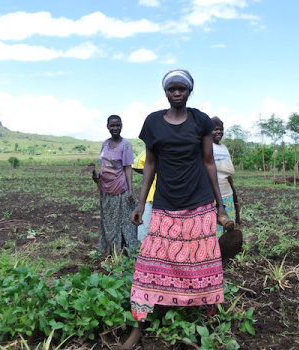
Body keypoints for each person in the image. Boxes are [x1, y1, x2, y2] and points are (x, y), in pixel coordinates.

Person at [122, 69, 229, 350]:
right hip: (166, 205)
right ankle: (138, 327)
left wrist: (221, 207)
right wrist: (141, 203)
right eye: (172, 89)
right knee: (149, 263)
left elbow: (208, 163)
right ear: (166, 92)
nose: (177, 93)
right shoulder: (153, 123)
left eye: (182, 88)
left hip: (200, 204)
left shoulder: (200, 120)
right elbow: (150, 165)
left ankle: (208, 316)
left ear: (190, 91)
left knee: (203, 263)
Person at [92, 115, 137, 255]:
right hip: (107, 191)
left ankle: (125, 254)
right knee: (109, 224)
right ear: (108, 127)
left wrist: (130, 190)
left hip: (121, 191)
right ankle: (111, 254)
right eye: (112, 125)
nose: (115, 128)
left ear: (122, 126)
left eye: (117, 125)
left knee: (124, 226)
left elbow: (128, 168)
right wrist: (97, 177)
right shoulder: (105, 144)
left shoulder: (125, 145)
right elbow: (103, 166)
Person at [211, 117, 241, 238]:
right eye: (215, 129)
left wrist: (234, 197)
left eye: (221, 129)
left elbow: (229, 175)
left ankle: (225, 256)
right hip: (212, 198)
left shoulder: (224, 148)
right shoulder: (206, 147)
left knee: (229, 228)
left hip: (227, 194)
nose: (219, 132)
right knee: (215, 230)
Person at [131, 150, 157, 243]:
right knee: (145, 234)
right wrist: (153, 172)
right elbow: (137, 163)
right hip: (154, 198)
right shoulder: (159, 143)